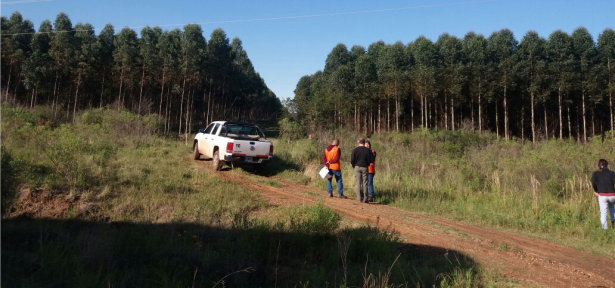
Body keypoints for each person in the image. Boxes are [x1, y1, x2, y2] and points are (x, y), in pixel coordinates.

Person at [591, 159, 615, 230]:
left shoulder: (596, 173)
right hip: (612, 195)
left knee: (603, 212)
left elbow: (593, 183)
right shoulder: (612, 173)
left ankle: (605, 230)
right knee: (611, 208)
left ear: (599, 165)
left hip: (602, 195)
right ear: (607, 165)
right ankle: (613, 224)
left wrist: (596, 191)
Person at [351, 138, 373, 203]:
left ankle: (359, 198)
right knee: (365, 183)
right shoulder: (368, 150)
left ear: (358, 142)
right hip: (365, 167)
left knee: (358, 183)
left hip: (357, 167)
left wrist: (354, 166)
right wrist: (367, 163)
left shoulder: (355, 150)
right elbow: (371, 160)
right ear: (364, 142)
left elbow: (352, 160)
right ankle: (365, 198)